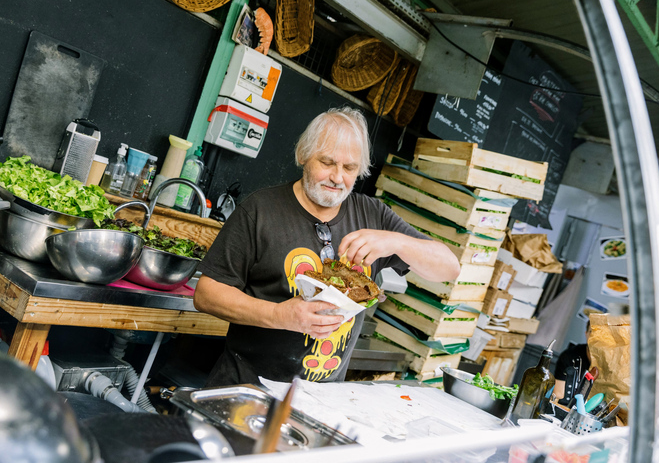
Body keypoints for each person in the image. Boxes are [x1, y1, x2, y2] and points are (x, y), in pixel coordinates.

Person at [194, 107, 461, 386]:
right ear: (303, 156)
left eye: (349, 168)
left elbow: (449, 268)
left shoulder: (373, 215)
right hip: (246, 389)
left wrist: (396, 241)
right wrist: (277, 315)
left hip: (319, 403)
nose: (337, 177)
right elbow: (207, 294)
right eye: (327, 162)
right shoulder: (260, 211)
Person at [554, 322, 592, 405]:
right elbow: (558, 395)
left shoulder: (613, 364)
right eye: (592, 332)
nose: (596, 337)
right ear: (586, 334)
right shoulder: (570, 356)